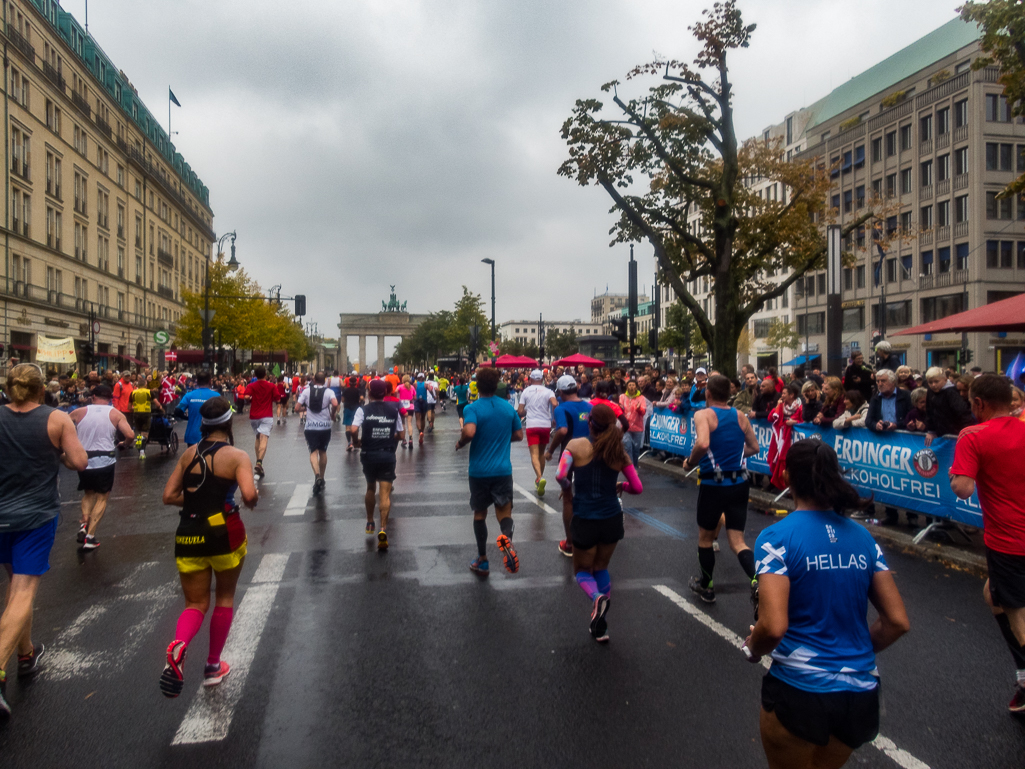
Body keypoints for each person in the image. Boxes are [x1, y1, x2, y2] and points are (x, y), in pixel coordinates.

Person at [744, 440, 910, 769]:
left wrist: (753, 648)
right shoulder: (863, 536)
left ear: (787, 475)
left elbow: (773, 627)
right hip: (859, 691)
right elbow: (897, 622)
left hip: (800, 688)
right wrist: (853, 651)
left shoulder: (776, 538)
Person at [0, 364, 88, 719]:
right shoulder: (56, 419)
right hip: (35, 517)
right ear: (41, 391)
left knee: (15, 589)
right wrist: (61, 456)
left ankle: (26, 653)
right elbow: (80, 461)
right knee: (23, 591)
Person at [159, 397, 258, 697]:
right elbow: (250, 495)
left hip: (188, 532)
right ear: (228, 423)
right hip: (224, 531)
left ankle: (179, 645)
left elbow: (168, 495)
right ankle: (213, 666)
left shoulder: (189, 454)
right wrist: (245, 502)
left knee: (195, 604)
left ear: (203, 423)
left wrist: (195, 501)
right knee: (224, 598)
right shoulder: (237, 455)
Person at [949, 374, 1025, 713]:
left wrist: (956, 474)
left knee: (1017, 613)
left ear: (979, 404)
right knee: (991, 595)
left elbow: (963, 488)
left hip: (1010, 540)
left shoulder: (973, 434)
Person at [556, 403, 643, 642]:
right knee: (602, 568)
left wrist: (568, 490)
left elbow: (560, 475)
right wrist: (621, 486)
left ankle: (596, 598)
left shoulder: (576, 445)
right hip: (612, 518)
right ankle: (601, 627)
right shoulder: (620, 451)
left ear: (590, 423)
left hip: (585, 517)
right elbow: (637, 487)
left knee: (583, 571)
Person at [681, 374, 760, 605]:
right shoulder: (740, 416)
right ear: (730, 394)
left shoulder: (703, 414)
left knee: (705, 539)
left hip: (713, 483)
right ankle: (757, 580)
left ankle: (707, 587)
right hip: (739, 484)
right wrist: (734, 457)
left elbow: (703, 443)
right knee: (737, 541)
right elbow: (754, 447)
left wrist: (690, 462)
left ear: (707, 393)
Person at [456, 367, 523, 576]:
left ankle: (483, 559)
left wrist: (461, 442)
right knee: (504, 512)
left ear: (477, 385)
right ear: (496, 385)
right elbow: (519, 435)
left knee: (480, 513)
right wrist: (502, 439)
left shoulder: (472, 408)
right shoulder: (507, 408)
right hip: (503, 470)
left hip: (479, 471)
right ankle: (506, 538)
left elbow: (470, 431)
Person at [70, 384, 135, 550]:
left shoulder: (79, 412)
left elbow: (65, 428)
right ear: (110, 399)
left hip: (84, 459)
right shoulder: (115, 414)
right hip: (104, 459)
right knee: (102, 497)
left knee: (88, 493)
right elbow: (130, 435)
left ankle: (84, 522)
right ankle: (90, 536)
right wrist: (124, 444)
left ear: (92, 397)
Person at [349, 379, 403, 549]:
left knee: (370, 488)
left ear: (370, 393)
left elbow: (353, 429)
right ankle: (383, 529)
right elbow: (401, 435)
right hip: (387, 454)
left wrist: (357, 442)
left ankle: (370, 522)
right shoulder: (394, 411)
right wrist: (388, 437)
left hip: (368, 454)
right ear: (386, 393)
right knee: (385, 495)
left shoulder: (363, 410)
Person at [545, 375, 594, 558]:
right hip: (591, 454)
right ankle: (591, 538)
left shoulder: (561, 408)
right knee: (588, 494)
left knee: (568, 499)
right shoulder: (590, 406)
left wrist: (550, 450)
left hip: (570, 456)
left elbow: (563, 430)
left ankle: (570, 543)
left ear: (560, 391)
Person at [297, 372, 339, 495]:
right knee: (323, 451)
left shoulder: (306, 391)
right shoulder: (329, 392)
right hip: (325, 426)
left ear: (314, 380)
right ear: (325, 380)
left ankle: (316, 475)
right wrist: (332, 413)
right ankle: (322, 476)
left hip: (310, 427)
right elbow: (335, 404)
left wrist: (306, 408)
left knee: (313, 451)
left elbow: (296, 408)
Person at [519, 369, 558, 497]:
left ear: (530, 379)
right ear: (542, 379)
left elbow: (520, 411)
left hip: (532, 424)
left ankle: (539, 477)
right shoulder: (548, 391)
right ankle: (539, 478)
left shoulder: (526, 391)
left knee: (534, 454)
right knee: (541, 453)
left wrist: (528, 410)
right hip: (545, 424)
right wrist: (554, 418)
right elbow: (555, 403)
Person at [923, 366, 973, 447]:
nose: (933, 385)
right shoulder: (930, 392)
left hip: (954, 433)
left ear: (945, 379)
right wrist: (931, 430)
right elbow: (929, 411)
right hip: (940, 433)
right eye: (930, 382)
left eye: (936, 381)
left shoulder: (951, 393)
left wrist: (966, 432)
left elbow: (962, 412)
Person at [768, 382, 803, 491]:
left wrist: (795, 422)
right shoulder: (781, 406)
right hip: (780, 438)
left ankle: (787, 486)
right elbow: (771, 418)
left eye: (784, 394)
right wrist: (777, 406)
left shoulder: (800, 407)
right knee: (777, 459)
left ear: (791, 395)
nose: (781, 395)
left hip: (791, 438)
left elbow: (803, 421)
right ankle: (777, 484)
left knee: (787, 461)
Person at [244, 367, 278, 479]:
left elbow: (246, 397)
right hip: (266, 415)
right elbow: (277, 399)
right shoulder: (271, 386)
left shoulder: (251, 385)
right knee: (264, 438)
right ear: (265, 374)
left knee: (258, 437)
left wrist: (251, 399)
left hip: (254, 416)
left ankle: (259, 463)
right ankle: (259, 462)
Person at [175, 371, 221, 448]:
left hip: (192, 436)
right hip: (211, 436)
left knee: (193, 459)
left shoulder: (189, 395)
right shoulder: (217, 396)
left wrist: (188, 418)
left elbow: (177, 411)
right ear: (210, 381)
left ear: (197, 381)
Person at [866, 370, 911, 434]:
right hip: (882, 439)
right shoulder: (875, 398)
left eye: (883, 381)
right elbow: (868, 420)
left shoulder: (906, 396)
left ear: (893, 382)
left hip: (903, 438)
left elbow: (911, 418)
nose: (880, 384)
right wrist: (876, 425)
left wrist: (896, 425)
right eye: (878, 381)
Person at [619, 379, 647, 466]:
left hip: (637, 428)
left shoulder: (641, 398)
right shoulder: (622, 397)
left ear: (636, 387)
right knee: (627, 447)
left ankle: (635, 466)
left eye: (633, 385)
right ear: (627, 387)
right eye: (630, 385)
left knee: (635, 449)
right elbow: (620, 410)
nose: (631, 387)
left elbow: (643, 412)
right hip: (626, 427)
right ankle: (631, 468)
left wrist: (639, 408)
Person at [130, 375, 157, 458]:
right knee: (145, 432)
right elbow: (157, 403)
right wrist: (161, 408)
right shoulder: (149, 392)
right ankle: (142, 452)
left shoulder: (133, 392)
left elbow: (129, 407)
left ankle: (139, 447)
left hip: (136, 413)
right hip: (146, 413)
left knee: (138, 431)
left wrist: (135, 409)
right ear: (145, 385)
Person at [340, 376, 362, 452]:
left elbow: (342, 400)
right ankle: (355, 442)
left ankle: (349, 443)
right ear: (356, 383)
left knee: (348, 427)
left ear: (349, 383)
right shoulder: (358, 390)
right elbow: (361, 398)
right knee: (356, 427)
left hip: (348, 408)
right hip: (356, 409)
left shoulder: (346, 390)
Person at [396, 375, 417, 450]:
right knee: (409, 423)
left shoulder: (400, 387)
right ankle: (410, 439)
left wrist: (398, 398)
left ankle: (404, 440)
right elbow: (415, 397)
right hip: (410, 406)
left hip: (402, 407)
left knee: (403, 424)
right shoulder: (412, 387)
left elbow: (395, 392)